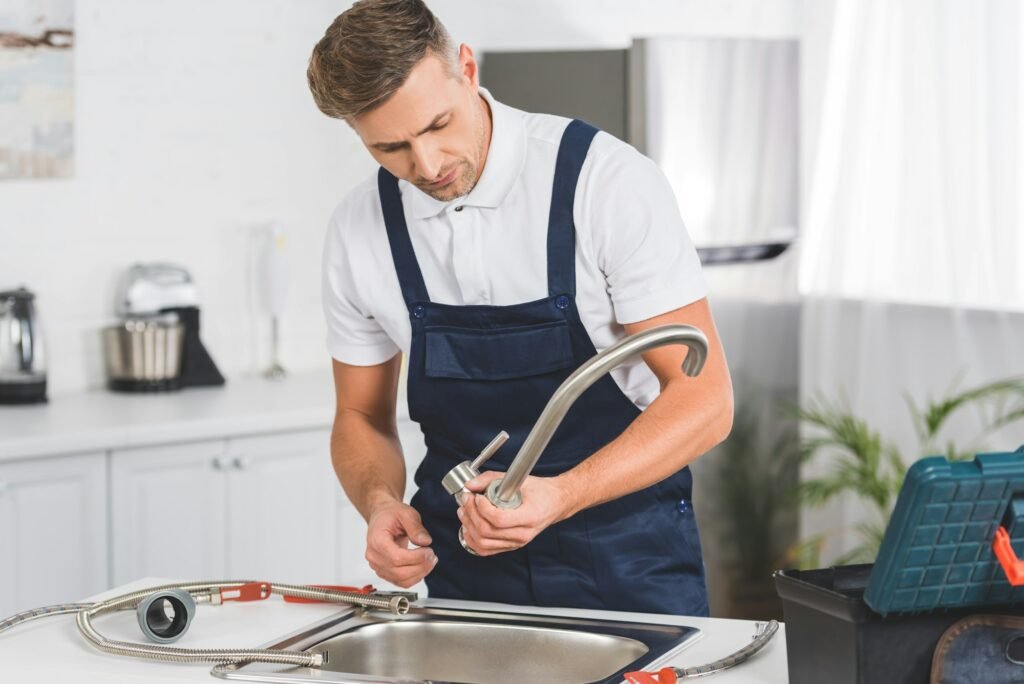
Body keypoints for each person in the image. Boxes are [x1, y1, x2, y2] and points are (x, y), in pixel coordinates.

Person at [307, 0, 733, 616]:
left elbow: (705, 402)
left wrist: (561, 495)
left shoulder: (603, 183)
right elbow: (359, 414)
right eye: (391, 147)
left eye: (436, 126)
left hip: (627, 562)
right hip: (468, 574)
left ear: (468, 69)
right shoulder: (358, 228)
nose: (426, 166)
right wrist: (379, 502)